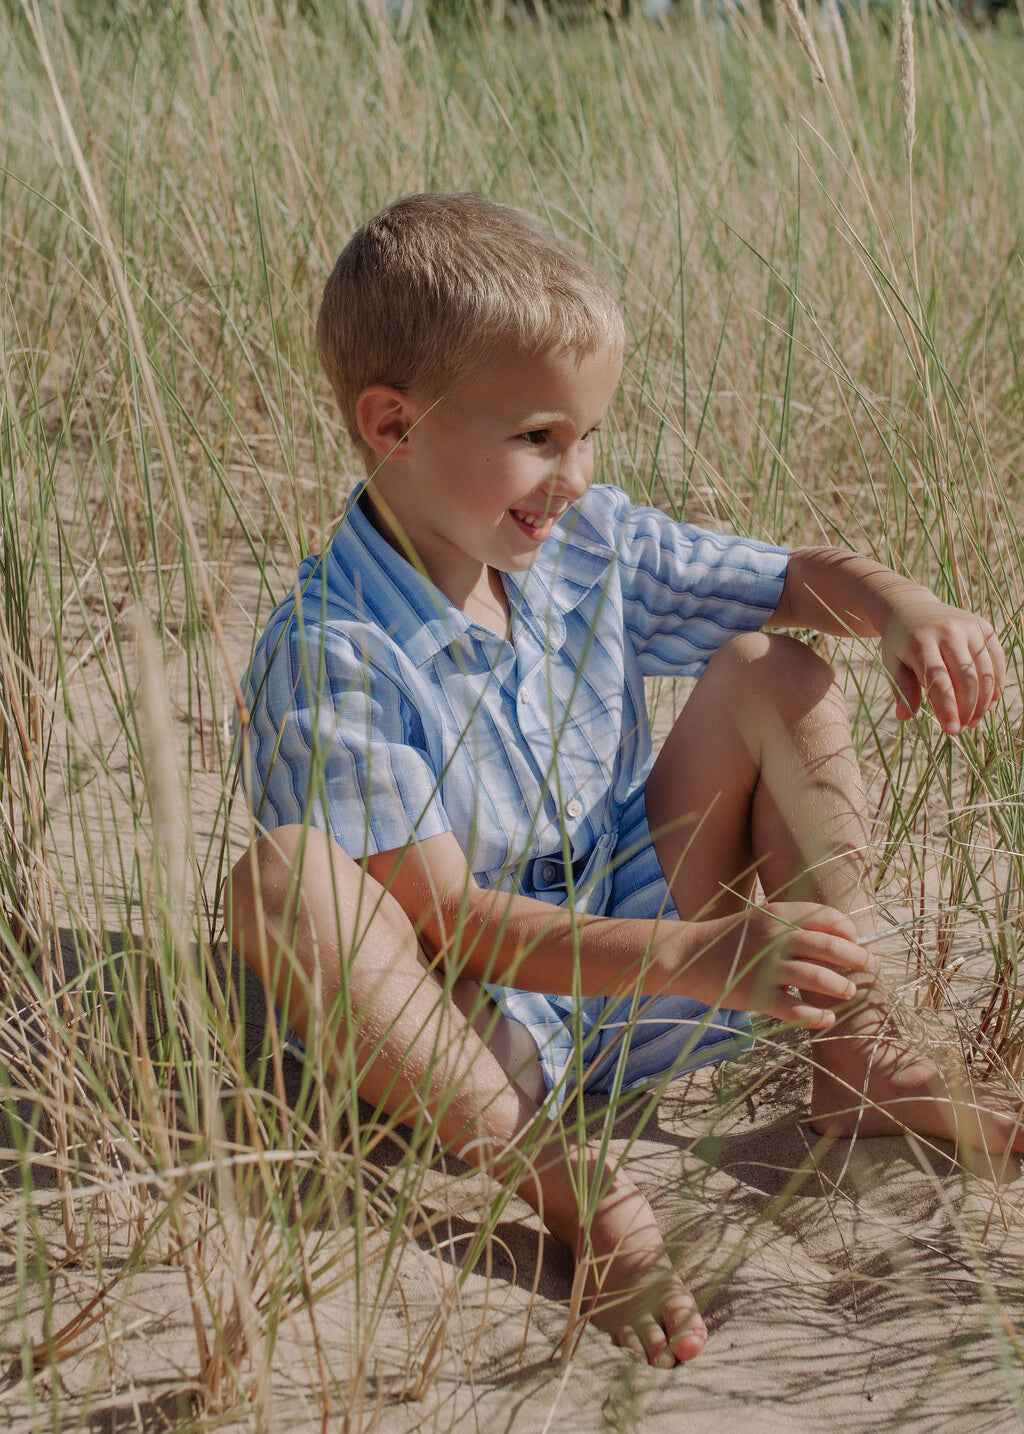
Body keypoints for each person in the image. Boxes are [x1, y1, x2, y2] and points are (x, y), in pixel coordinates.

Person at [227, 191, 1022, 1369]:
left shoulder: (580, 548)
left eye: (589, 434)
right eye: (541, 437)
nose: (576, 475)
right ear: (393, 423)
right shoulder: (332, 647)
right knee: (286, 880)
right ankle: (563, 1187)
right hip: (473, 1043)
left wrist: (905, 608)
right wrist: (701, 958)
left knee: (774, 669)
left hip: (645, 957)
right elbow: (446, 921)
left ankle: (851, 1054)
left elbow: (789, 582)